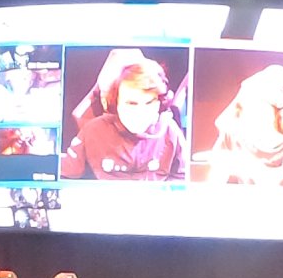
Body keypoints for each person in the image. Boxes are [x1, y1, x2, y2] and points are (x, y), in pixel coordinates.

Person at [59, 48, 187, 180]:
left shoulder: (170, 131)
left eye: (149, 102)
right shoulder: (92, 131)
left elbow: (184, 177)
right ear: (115, 105)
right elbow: (64, 173)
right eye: (132, 103)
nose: (141, 113)